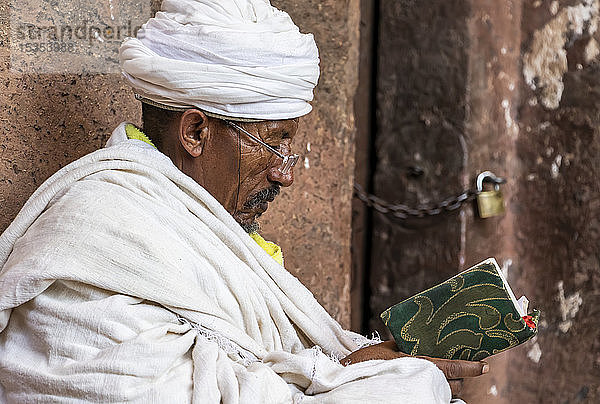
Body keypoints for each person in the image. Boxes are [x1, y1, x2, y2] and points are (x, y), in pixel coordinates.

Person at [0, 0, 487, 402]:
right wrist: (365, 382)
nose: (286, 173)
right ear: (195, 132)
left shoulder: (204, 229)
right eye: (275, 143)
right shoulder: (95, 237)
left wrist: (347, 370)